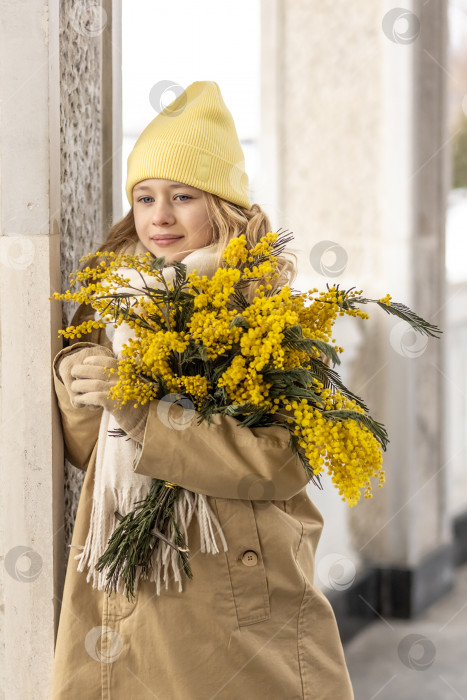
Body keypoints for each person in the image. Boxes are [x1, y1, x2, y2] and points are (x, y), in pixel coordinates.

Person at [50, 81, 354, 699]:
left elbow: (280, 463)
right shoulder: (113, 310)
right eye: (144, 197)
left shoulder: (267, 313)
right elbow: (90, 455)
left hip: (235, 597)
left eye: (182, 196)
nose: (159, 217)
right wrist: (77, 375)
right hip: (133, 584)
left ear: (220, 207)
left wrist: (145, 412)